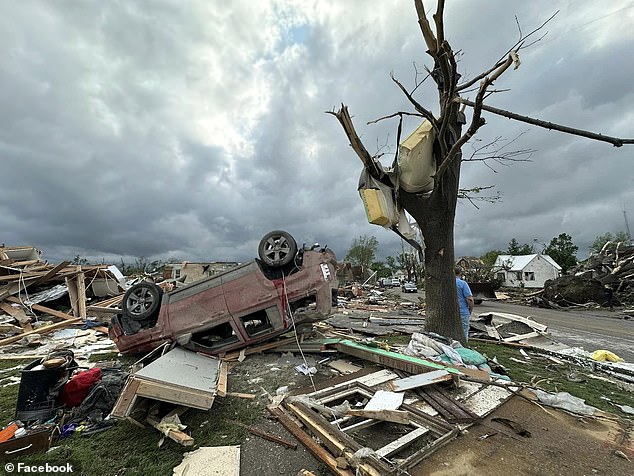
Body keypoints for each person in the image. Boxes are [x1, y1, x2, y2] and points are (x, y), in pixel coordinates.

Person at [455, 267, 474, 340]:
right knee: (464, 332)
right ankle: (463, 347)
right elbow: (469, 299)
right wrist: (470, 310)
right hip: (463, 311)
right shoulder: (462, 284)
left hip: (450, 312)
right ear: (460, 273)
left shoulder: (447, 284)